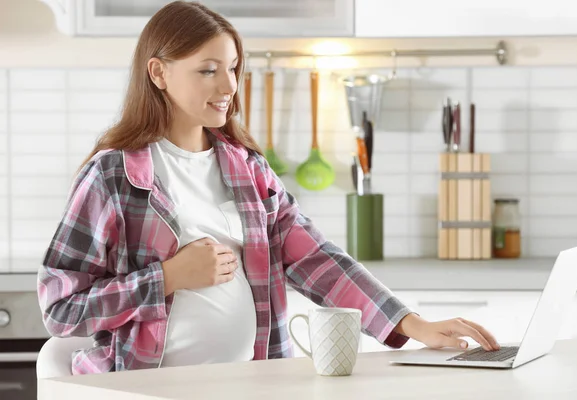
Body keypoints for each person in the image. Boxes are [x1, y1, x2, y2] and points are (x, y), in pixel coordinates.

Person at [37, 1, 499, 375]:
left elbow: (317, 261)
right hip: (148, 388)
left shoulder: (248, 170)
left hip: (249, 384)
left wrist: (412, 324)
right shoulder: (114, 176)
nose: (229, 86)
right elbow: (61, 308)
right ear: (158, 73)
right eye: (208, 70)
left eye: (234, 68)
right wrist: (168, 278)